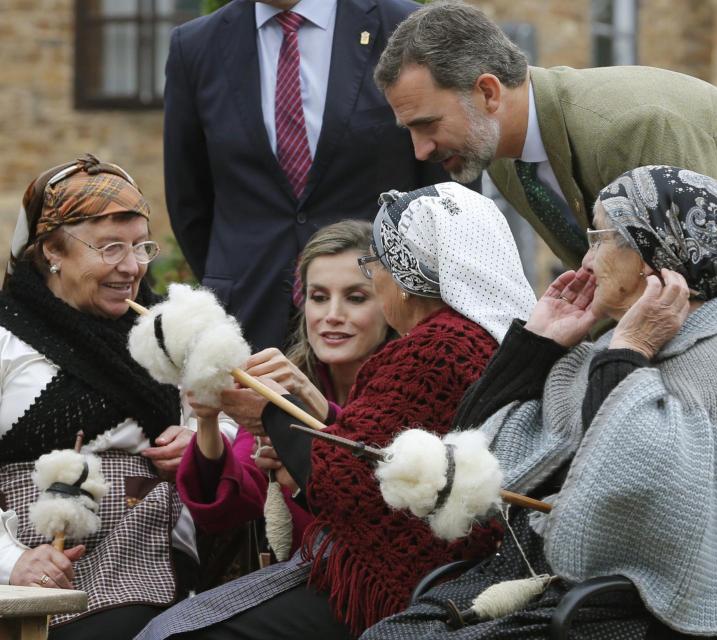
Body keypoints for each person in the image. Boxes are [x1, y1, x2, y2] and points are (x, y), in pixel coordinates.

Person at [374, 6, 717, 635]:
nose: (420, 148)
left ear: (488, 91)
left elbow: (690, 280)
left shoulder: (632, 124)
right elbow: (622, 291)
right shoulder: (504, 159)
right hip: (704, 323)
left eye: (427, 123)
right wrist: (543, 348)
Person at [364, 166, 717, 639]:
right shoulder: (615, 347)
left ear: (650, 253)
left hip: (620, 608)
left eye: (600, 237)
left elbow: (624, 493)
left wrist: (628, 352)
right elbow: (468, 461)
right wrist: (539, 344)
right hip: (543, 587)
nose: (586, 259)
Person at [135, 182, 537, 640]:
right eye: (318, 297)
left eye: (370, 275)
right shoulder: (473, 339)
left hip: (414, 584)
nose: (333, 315)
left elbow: (352, 481)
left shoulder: (436, 349)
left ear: (404, 279)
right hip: (419, 572)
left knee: (174, 634)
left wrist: (270, 416)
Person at [0, 155, 233, 640]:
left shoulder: (166, 336)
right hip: (20, 568)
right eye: (109, 248)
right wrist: (13, 561)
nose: (131, 267)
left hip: (143, 561)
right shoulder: (6, 341)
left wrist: (198, 440)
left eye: (140, 247)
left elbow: (230, 420)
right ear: (51, 252)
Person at [163, 0, 458, 353]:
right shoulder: (196, 45)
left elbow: (447, 188)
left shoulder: (407, 28)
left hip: (383, 319)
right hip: (247, 318)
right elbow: (189, 201)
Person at [176, 220, 392, 560]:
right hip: (296, 577)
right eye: (318, 297)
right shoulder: (275, 380)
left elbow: (390, 501)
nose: (332, 315)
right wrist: (206, 419)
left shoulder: (408, 379)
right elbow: (223, 511)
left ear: (390, 303)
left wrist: (305, 450)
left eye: (355, 297)